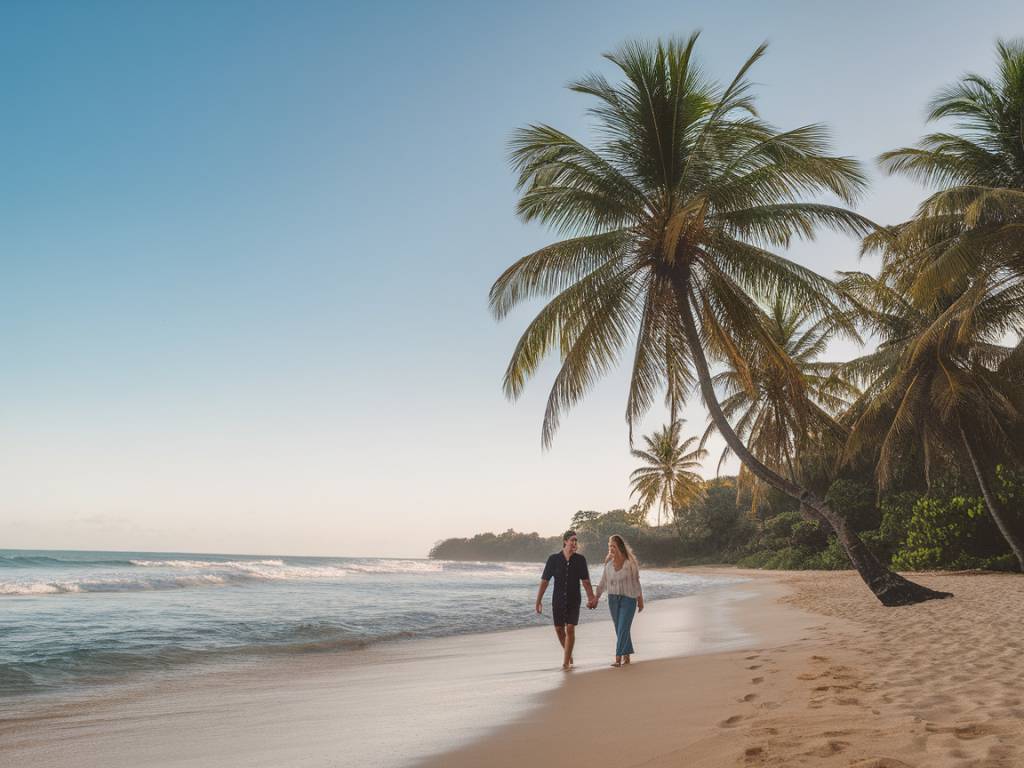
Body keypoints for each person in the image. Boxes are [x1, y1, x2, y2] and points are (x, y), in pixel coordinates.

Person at [535, 530, 596, 670]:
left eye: (576, 540)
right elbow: (544, 581)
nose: (575, 543)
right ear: (565, 541)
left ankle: (565, 662)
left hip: (574, 599)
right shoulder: (553, 559)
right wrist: (538, 601)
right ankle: (568, 654)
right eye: (572, 540)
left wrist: (591, 598)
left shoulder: (580, 560)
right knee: (559, 629)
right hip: (558, 599)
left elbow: (586, 581)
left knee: (570, 628)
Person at [591, 534, 644, 667]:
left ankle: (618, 658)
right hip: (613, 600)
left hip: (628, 599)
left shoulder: (630, 564)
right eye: (609, 546)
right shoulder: (608, 565)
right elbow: (603, 583)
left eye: (613, 546)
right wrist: (596, 597)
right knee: (619, 628)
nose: (611, 548)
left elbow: (636, 582)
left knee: (622, 628)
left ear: (619, 547)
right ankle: (626, 655)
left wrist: (640, 600)